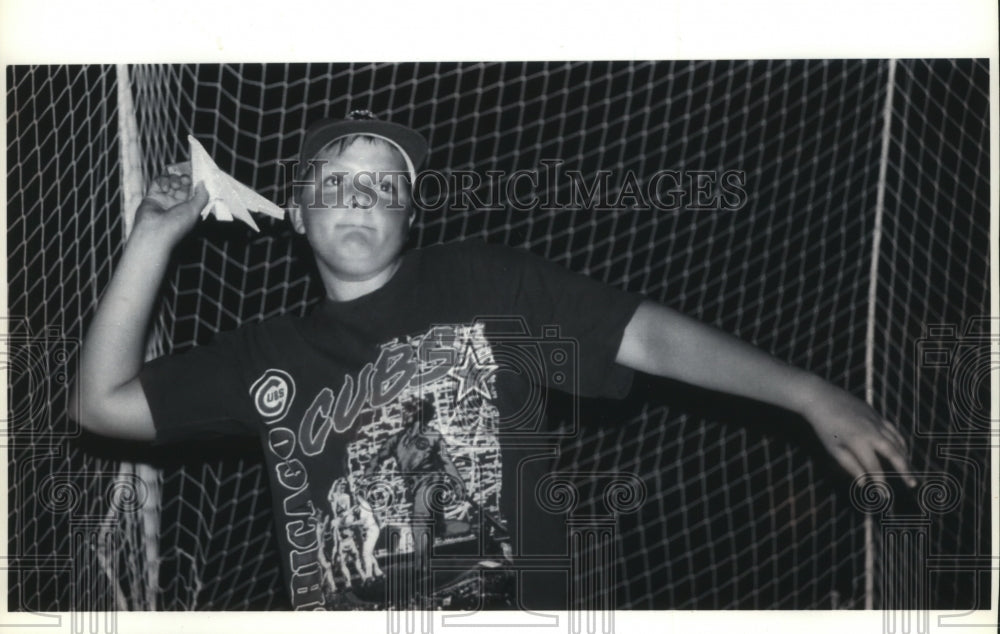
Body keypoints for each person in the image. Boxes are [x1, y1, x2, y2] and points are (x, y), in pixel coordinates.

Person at [69, 111, 915, 611]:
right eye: (336, 183)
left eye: (384, 186)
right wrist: (152, 236)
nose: (360, 197)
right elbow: (101, 405)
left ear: (410, 218)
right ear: (294, 213)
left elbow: (645, 336)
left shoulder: (483, 281)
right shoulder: (266, 356)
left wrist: (807, 392)